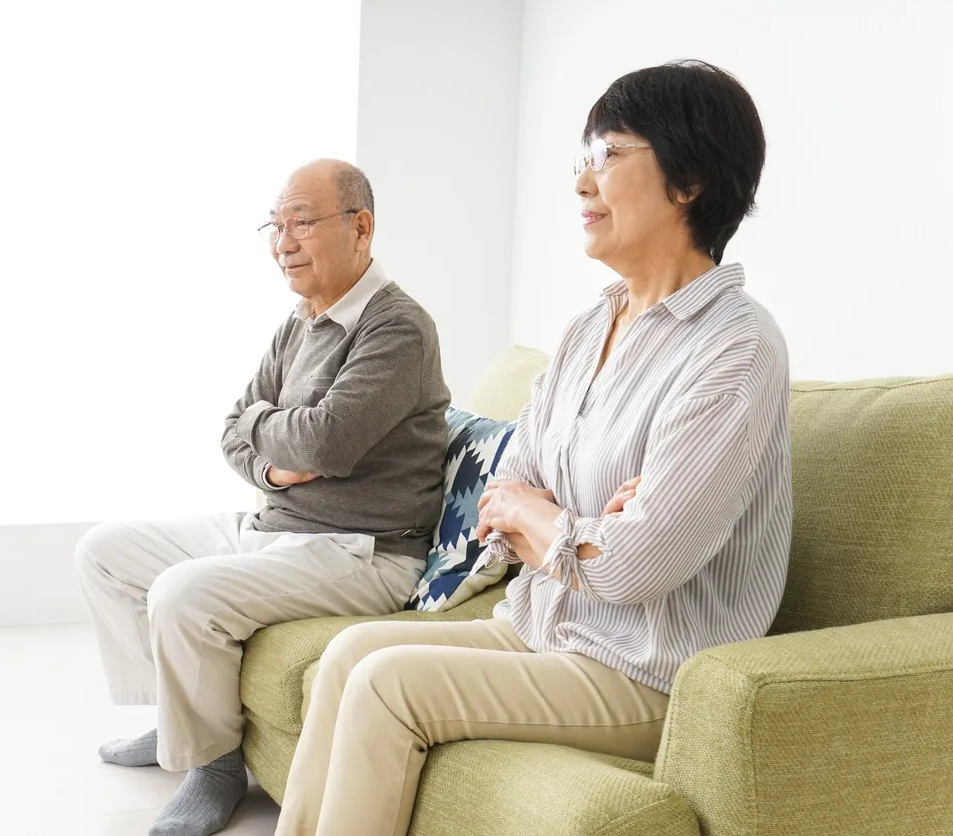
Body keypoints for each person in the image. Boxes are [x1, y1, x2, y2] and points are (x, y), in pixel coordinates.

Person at [274, 61, 793, 836]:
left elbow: (635, 565)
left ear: (689, 182)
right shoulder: (589, 329)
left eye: (611, 156)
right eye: (584, 160)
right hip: (543, 627)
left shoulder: (735, 348)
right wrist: (575, 522)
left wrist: (557, 523)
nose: (584, 183)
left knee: (386, 683)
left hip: (643, 668)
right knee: (351, 653)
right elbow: (509, 483)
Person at [75, 158, 450, 836]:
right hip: (277, 521)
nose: (283, 242)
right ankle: (174, 722)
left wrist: (274, 436)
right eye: (275, 226)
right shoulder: (299, 322)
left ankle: (214, 767)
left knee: (181, 594)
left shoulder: (398, 328)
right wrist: (275, 466)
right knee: (105, 551)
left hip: (361, 552)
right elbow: (234, 430)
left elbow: (327, 444)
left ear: (360, 227)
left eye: (301, 222)